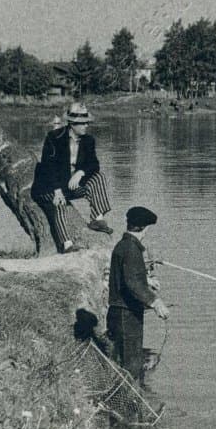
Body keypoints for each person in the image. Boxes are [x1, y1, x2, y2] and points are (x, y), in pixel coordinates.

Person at [31, 103, 113, 254]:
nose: (86, 126)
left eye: (87, 122)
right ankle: (67, 245)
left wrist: (80, 172)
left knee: (98, 177)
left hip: (69, 185)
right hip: (48, 187)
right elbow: (48, 167)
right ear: (72, 124)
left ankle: (97, 219)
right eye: (83, 123)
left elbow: (94, 164)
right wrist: (57, 191)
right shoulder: (54, 138)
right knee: (60, 204)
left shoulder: (88, 140)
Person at [107, 206, 169, 384]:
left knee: (120, 360)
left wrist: (146, 280)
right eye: (148, 228)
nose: (147, 233)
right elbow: (133, 283)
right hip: (126, 314)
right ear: (143, 228)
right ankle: (129, 397)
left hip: (118, 312)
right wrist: (156, 302)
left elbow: (127, 275)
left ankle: (125, 393)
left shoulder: (123, 245)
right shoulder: (132, 249)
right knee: (131, 363)